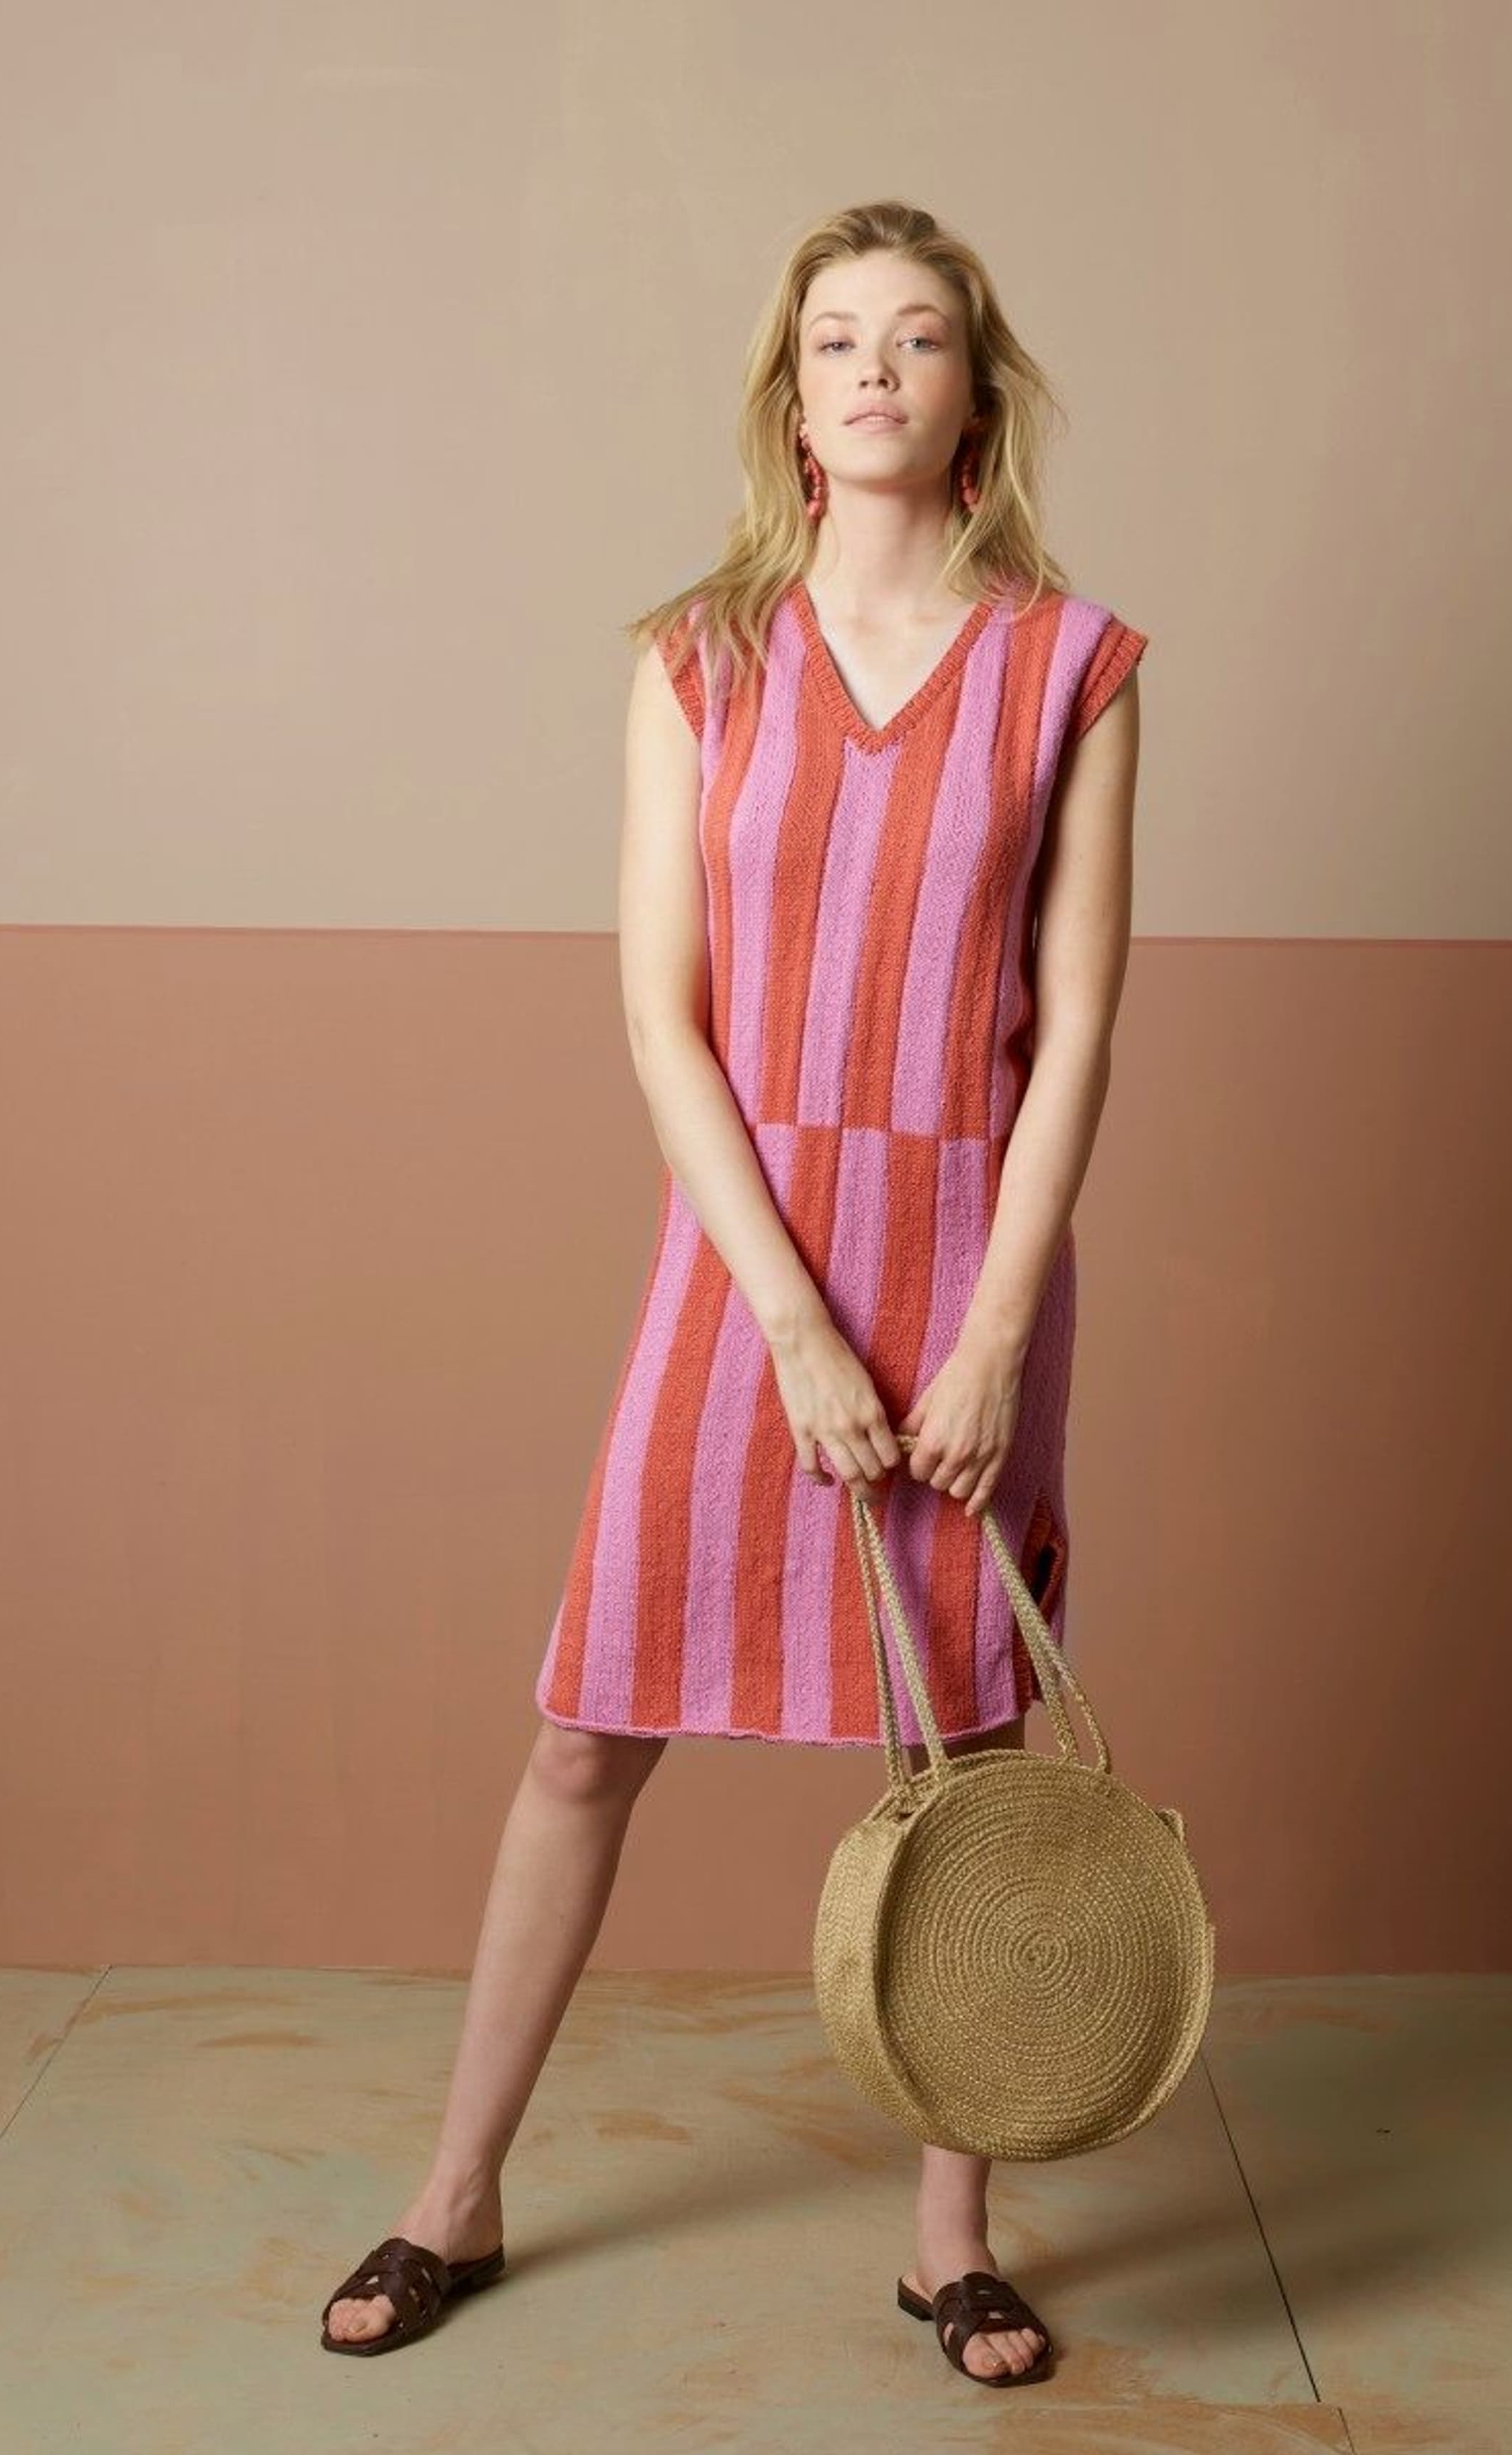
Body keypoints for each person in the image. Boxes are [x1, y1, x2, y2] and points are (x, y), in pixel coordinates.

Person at [319, 197, 1147, 2390]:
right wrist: (783, 1315)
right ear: (792, 398)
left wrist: (991, 1329)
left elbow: (1076, 1026)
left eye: (919, 337)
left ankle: (951, 2243)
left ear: (975, 393)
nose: (874, 369)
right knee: (590, 1729)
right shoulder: (695, 656)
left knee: (969, 1760)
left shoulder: (1075, 663)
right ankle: (455, 2195)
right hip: (742, 1255)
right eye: (837, 339)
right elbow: (662, 1017)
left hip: (969, 1259)